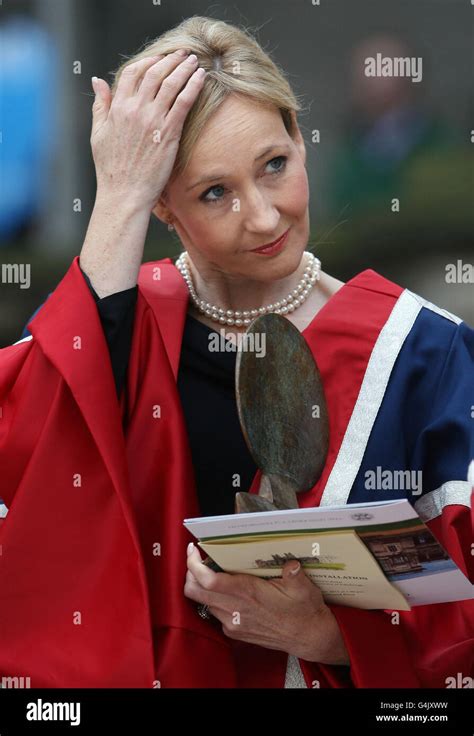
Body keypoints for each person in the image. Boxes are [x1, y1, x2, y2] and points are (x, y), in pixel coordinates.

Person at [0, 16, 472, 689]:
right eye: (213, 192)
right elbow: (31, 482)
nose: (263, 217)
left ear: (300, 138)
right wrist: (120, 197)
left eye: (275, 165)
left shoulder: (425, 350)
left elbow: (460, 611)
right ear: (164, 207)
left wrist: (333, 637)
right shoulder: (119, 331)